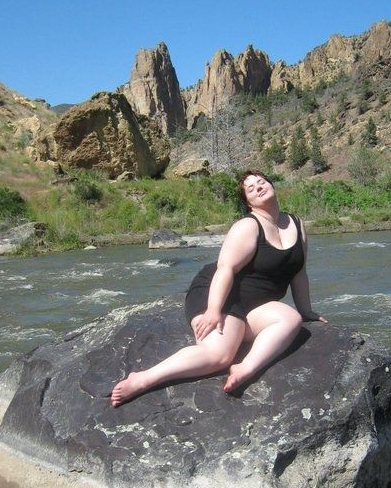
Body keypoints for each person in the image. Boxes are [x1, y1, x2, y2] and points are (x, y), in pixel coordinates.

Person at [111, 171, 327, 406]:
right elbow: (225, 269)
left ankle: (245, 368)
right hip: (222, 294)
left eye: (261, 182)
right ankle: (143, 379)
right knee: (219, 356)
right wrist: (213, 310)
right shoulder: (248, 225)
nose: (258, 187)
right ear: (247, 202)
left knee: (291, 318)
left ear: (272, 184)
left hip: (257, 305)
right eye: (250, 188)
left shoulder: (296, 223)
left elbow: (298, 271)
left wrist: (307, 311)